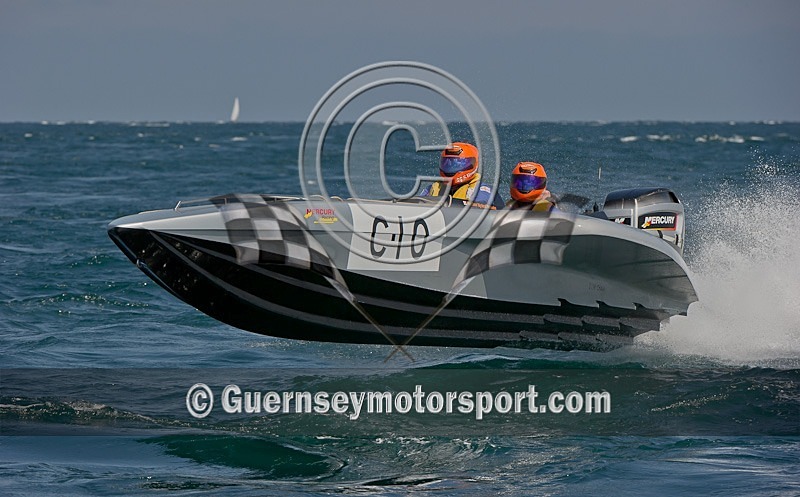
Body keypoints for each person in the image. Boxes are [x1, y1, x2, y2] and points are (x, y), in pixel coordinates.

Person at [420, 142, 503, 209]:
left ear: (473, 164)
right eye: (447, 163)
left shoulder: (482, 189)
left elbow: (481, 203)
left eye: (457, 164)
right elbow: (418, 203)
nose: (451, 167)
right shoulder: (434, 188)